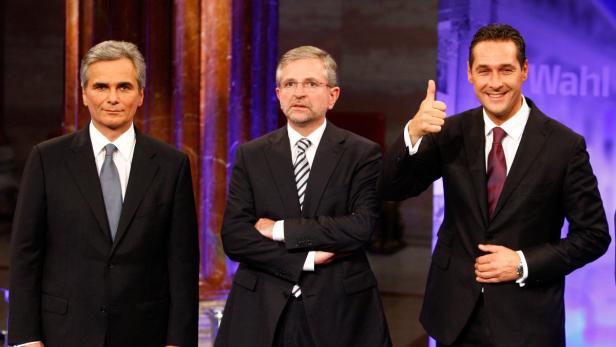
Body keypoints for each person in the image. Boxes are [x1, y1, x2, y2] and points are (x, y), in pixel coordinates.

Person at [381, 24, 611, 346]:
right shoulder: (450, 132)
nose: (495, 83)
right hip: (453, 316)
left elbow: (594, 235)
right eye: (484, 71)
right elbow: (391, 189)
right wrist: (412, 134)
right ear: (470, 74)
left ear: (524, 71)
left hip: (527, 320)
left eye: (506, 70)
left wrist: (522, 263)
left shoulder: (564, 146)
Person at [8, 41, 199, 347]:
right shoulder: (47, 159)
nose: (112, 98)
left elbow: (182, 263)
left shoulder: (171, 164)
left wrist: (178, 341)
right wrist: (25, 338)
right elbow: (26, 255)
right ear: (84, 94)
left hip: (144, 333)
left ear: (140, 95)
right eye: (101, 87)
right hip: (63, 333)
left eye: (124, 87)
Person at [215, 46, 392, 347]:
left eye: (311, 84)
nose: (299, 93)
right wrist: (306, 258)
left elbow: (361, 227)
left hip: (339, 312)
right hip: (262, 309)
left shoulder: (362, 153)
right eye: (290, 84)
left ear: (333, 95)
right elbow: (235, 237)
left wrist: (279, 229)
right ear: (278, 94)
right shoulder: (251, 154)